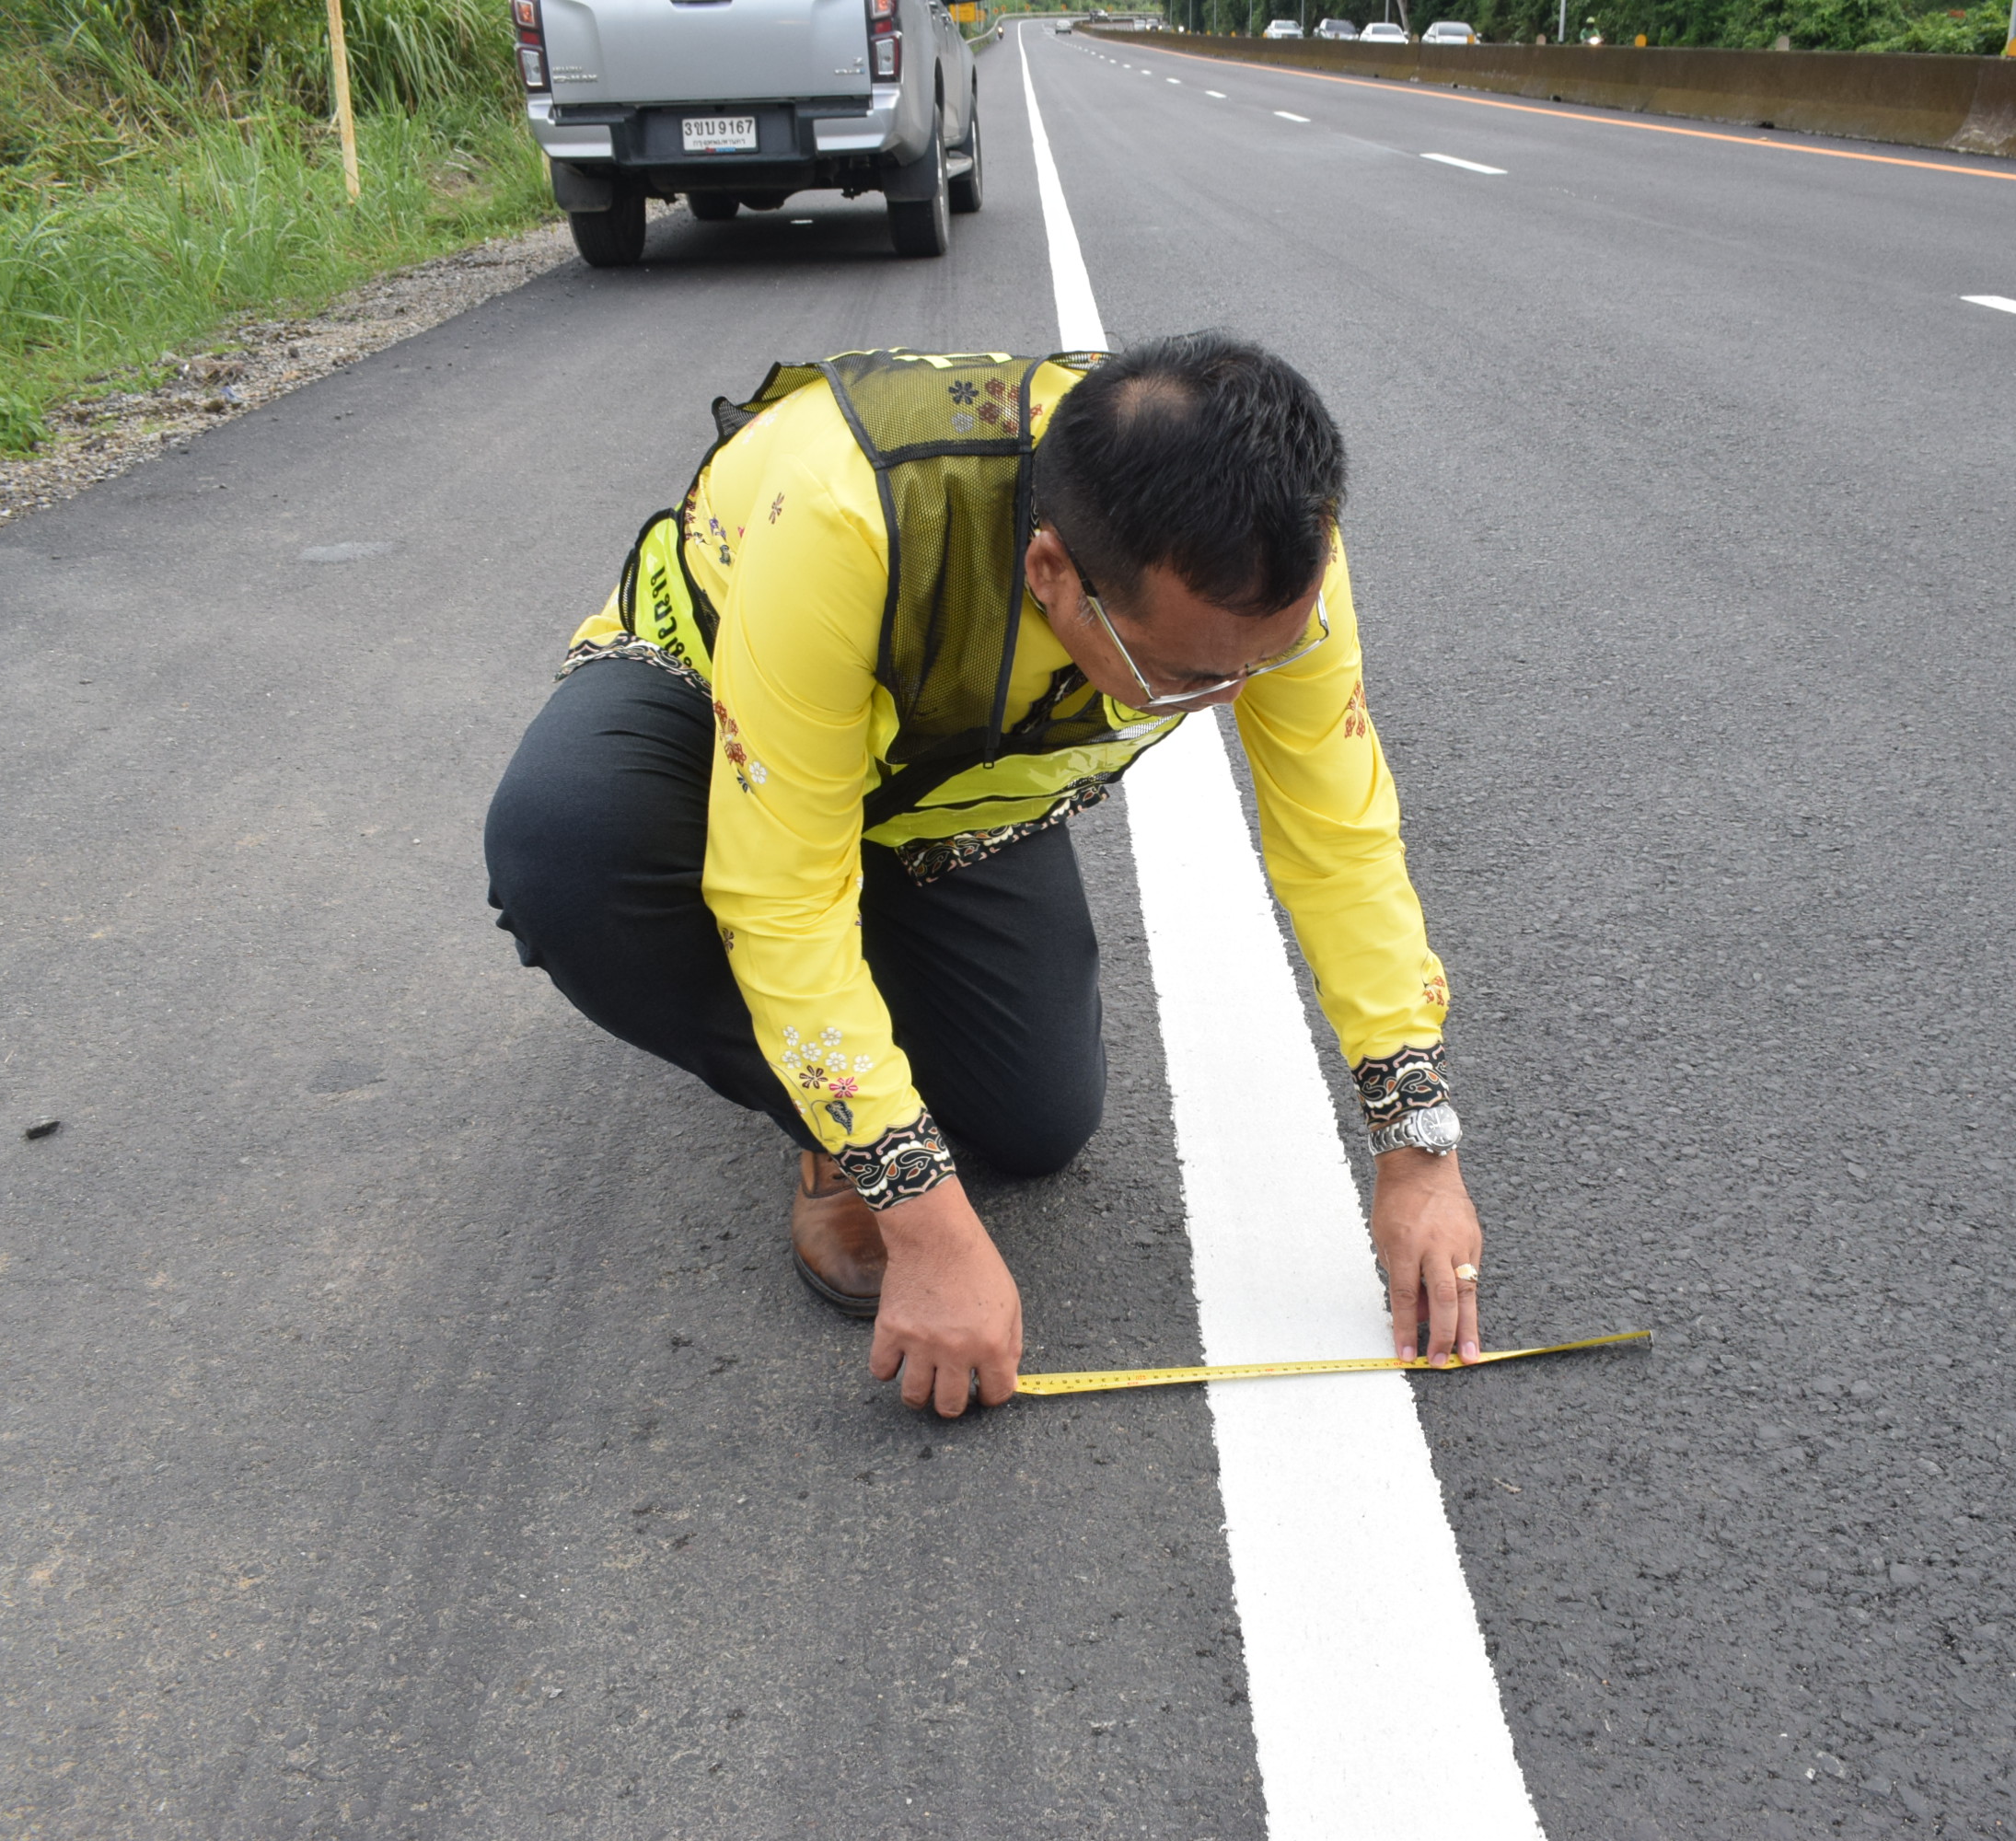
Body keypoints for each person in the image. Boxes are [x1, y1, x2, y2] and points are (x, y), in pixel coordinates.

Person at [483, 333, 1478, 1416]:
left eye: (1264, 661)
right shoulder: (844, 511)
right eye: (1184, 676)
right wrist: (919, 1211)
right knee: (570, 845)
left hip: (941, 792)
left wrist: (1416, 1147)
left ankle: (864, 985)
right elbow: (781, 890)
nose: (1234, 696)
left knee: (1033, 1123)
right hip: (723, 721)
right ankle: (827, 1128)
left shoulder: (1276, 556)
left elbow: (1340, 841)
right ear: (1053, 573)